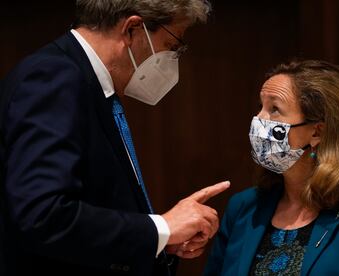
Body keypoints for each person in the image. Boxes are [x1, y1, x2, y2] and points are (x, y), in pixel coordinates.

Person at [0, 0, 231, 275]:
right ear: (132, 29)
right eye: (172, 46)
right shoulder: (54, 77)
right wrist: (161, 228)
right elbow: (43, 215)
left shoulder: (87, 84)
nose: (173, 59)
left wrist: (158, 241)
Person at [204, 60, 339, 275]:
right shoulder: (244, 208)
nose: (258, 119)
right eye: (261, 107)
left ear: (317, 133)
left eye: (274, 109)